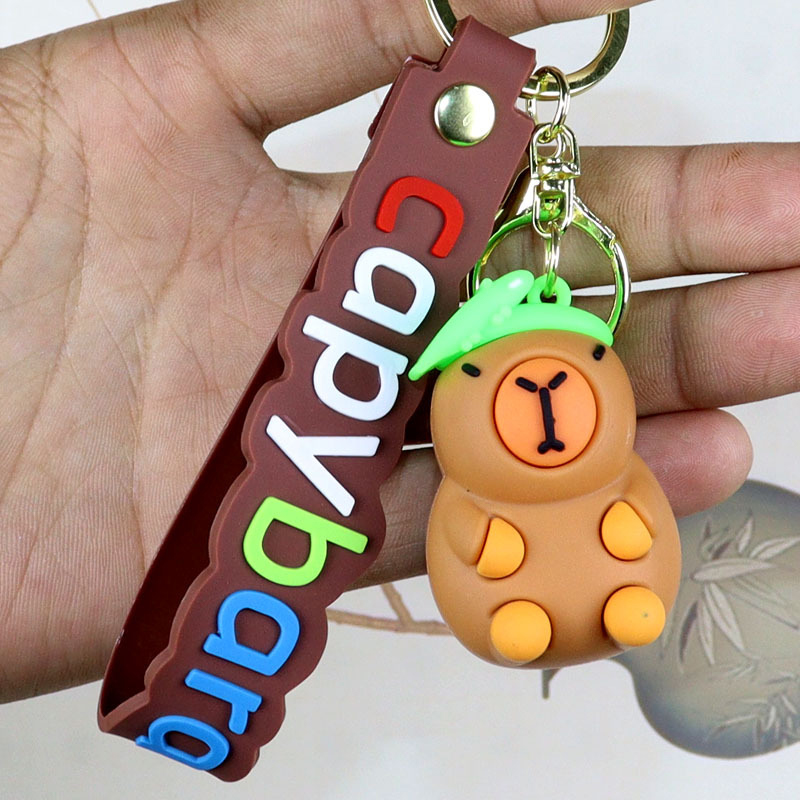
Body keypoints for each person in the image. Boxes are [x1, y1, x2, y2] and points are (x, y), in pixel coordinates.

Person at [0, 0, 795, 705]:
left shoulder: (608, 466)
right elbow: (467, 540)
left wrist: (621, 532)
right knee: (524, 603)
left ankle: (622, 609)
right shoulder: (473, 498)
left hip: (621, 587)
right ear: (458, 387)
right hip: (507, 602)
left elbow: (640, 515)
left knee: (627, 584)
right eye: (483, 374)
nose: (545, 394)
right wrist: (496, 546)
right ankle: (538, 618)